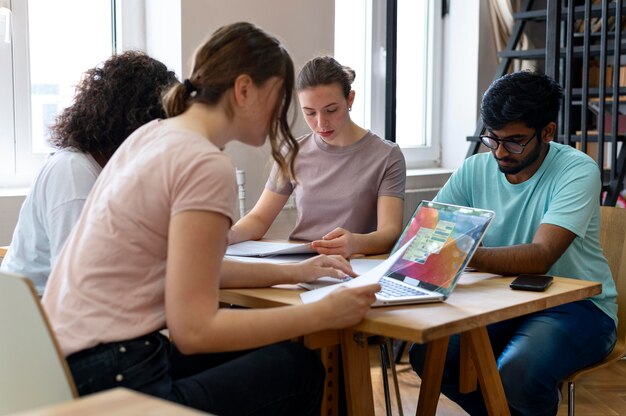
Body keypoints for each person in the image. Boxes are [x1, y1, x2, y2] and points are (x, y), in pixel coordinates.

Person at [41, 22, 380, 416]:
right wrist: (321, 313)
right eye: (280, 97)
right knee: (297, 367)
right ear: (244, 89)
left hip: (68, 368)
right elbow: (194, 331)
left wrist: (293, 272)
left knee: (276, 354)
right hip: (117, 377)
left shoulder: (151, 135)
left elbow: (192, 270)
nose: (281, 115)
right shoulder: (204, 162)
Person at [409, 71, 617, 415]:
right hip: (500, 299)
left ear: (547, 132)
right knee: (430, 353)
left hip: (580, 307)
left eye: (515, 141)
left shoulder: (577, 170)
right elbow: (426, 235)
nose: (500, 152)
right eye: (492, 138)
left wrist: (459, 252)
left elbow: (541, 256)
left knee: (518, 372)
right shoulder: (474, 169)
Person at [1, 51, 177, 294]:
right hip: (43, 320)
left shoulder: (106, 172)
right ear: (137, 124)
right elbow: (79, 285)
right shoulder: (73, 174)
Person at [229, 56, 406, 258]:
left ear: (350, 99)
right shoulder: (293, 151)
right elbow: (259, 218)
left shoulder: (387, 156)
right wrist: (226, 236)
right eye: (310, 113)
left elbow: (390, 233)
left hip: (353, 267)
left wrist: (356, 243)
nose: (322, 123)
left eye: (331, 110)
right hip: (299, 265)